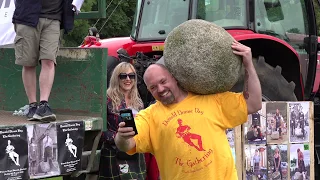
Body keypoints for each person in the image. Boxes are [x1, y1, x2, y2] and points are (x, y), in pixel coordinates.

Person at [115, 41, 262, 179]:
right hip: (185, 140)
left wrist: (248, 65)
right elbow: (127, 144)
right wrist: (123, 136)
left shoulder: (210, 99)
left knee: (197, 141)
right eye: (153, 87)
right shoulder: (150, 116)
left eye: (163, 81)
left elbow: (254, 104)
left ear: (174, 78)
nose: (160, 89)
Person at [12, 0, 76, 122]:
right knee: (28, 63)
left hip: (54, 18)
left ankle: (43, 105)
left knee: (49, 60)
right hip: (28, 16)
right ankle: (32, 105)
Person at [98, 62, 146, 180]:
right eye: (123, 76)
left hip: (135, 151)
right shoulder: (106, 99)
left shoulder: (138, 101)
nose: (128, 79)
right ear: (116, 78)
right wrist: (117, 138)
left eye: (131, 76)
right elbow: (99, 129)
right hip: (113, 152)